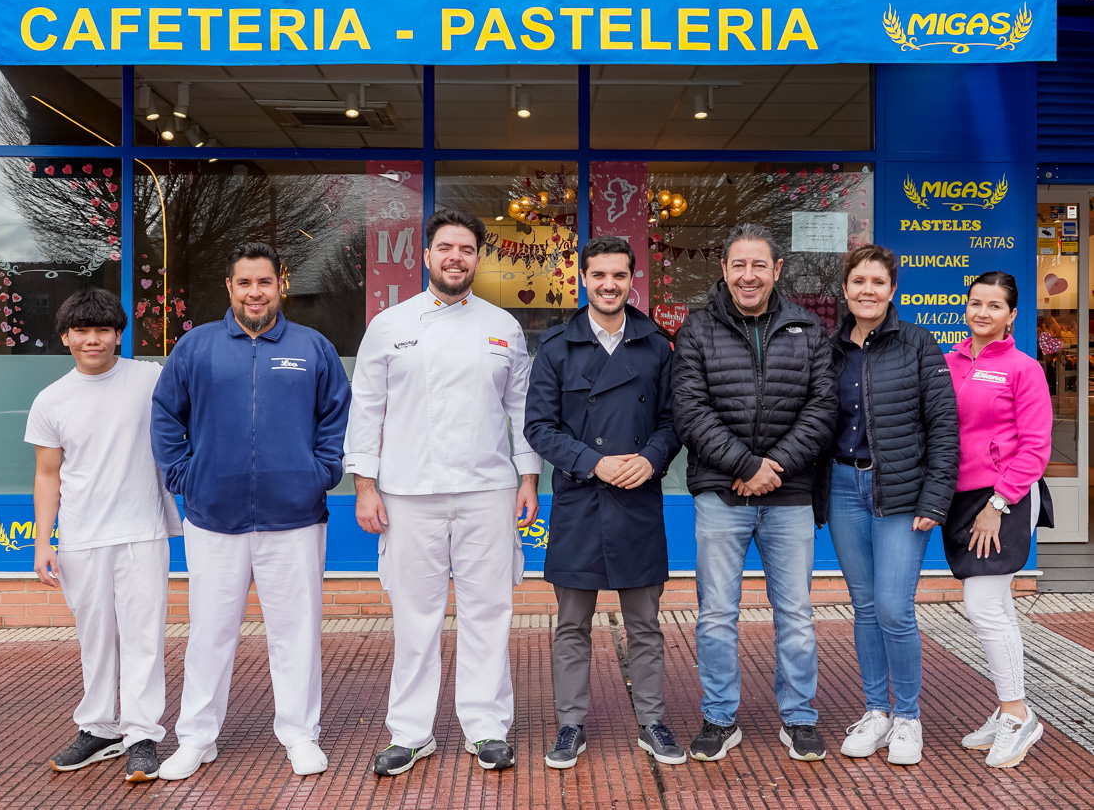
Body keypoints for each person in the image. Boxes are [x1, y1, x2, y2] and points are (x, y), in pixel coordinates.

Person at [345, 209, 542, 777]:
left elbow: (521, 410)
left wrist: (528, 477)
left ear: (478, 258)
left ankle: (486, 728)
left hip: (488, 491)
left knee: (489, 612)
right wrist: (365, 484)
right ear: (427, 257)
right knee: (414, 616)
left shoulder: (503, 325)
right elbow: (368, 409)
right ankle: (409, 732)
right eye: (445, 248)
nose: (456, 257)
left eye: (466, 249)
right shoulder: (389, 325)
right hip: (408, 492)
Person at [151, 241, 351, 780]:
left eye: (264, 282)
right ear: (229, 288)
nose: (254, 293)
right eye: (244, 283)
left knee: (296, 631)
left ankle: (300, 734)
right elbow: (167, 417)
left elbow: (336, 418)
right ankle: (196, 738)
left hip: (295, 516)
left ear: (280, 285)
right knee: (210, 631)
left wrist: (321, 472)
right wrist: (184, 477)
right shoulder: (196, 348)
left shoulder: (313, 347)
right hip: (213, 515)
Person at [672, 223, 837, 763]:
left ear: (776, 271)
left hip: (788, 498)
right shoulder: (696, 330)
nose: (748, 275)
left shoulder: (807, 330)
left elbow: (823, 409)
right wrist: (745, 465)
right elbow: (690, 411)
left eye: (758, 265)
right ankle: (720, 717)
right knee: (717, 614)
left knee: (795, 614)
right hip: (722, 495)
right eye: (738, 265)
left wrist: (777, 466)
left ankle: (800, 717)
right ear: (724, 269)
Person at [525, 235, 684, 770]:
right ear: (583, 279)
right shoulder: (555, 348)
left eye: (619, 275)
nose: (609, 284)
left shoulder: (658, 345)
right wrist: (593, 462)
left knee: (645, 624)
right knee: (571, 625)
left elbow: (673, 422)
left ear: (632, 280)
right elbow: (538, 428)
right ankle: (570, 726)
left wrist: (651, 458)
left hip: (639, 500)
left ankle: (653, 722)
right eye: (599, 275)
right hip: (579, 499)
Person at [26, 287, 180, 782]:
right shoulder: (51, 399)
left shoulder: (149, 378)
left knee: (142, 637)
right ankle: (100, 729)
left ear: (118, 334)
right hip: (80, 536)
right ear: (66, 337)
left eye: (103, 331)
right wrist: (43, 543)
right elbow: (47, 474)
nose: (93, 340)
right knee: (95, 637)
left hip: (143, 530)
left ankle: (141, 735)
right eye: (82, 331)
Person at [814, 245, 958, 765]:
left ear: (892, 289)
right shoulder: (829, 348)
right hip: (844, 488)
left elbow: (944, 427)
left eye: (878, 281)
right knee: (866, 608)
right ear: (846, 289)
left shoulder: (919, 343)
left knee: (896, 609)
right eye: (858, 282)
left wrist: (935, 497)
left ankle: (909, 718)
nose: (868, 290)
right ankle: (876, 711)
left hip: (901, 494)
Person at [945, 271, 1053, 768]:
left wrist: (998, 504)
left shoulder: (1023, 368)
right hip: (961, 498)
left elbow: (1035, 448)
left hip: (1006, 496)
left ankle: (1018, 714)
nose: (982, 313)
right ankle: (1008, 708)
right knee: (996, 606)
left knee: (983, 602)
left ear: (1012, 315)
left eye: (994, 306)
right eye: (975, 303)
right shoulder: (948, 362)